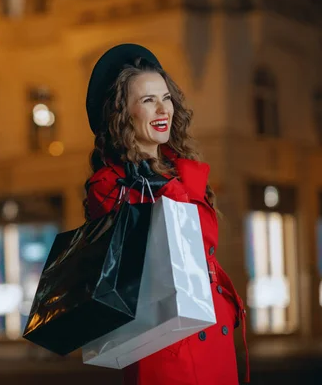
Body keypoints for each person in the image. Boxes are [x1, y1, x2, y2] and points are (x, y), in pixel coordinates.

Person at [83, 44, 248, 385]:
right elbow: (137, 260)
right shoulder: (109, 184)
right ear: (122, 113)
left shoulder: (182, 171)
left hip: (212, 330)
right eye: (147, 100)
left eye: (166, 97)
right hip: (165, 343)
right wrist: (151, 182)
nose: (163, 109)